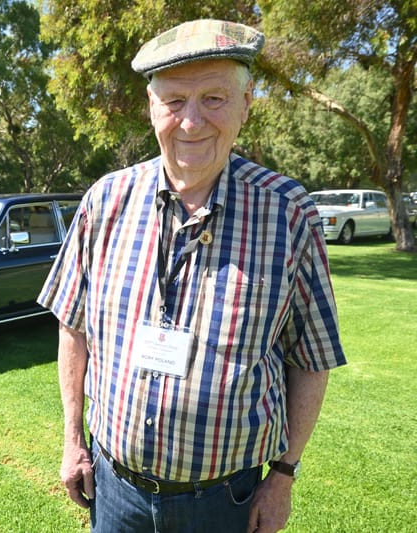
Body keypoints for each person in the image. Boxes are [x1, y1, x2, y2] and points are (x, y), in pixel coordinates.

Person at [37, 19, 346, 533]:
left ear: (247, 103)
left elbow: (312, 359)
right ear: (151, 108)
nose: (191, 121)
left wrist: (284, 476)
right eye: (175, 101)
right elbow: (73, 327)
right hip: (114, 492)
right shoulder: (105, 201)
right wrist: (73, 441)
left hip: (225, 501)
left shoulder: (289, 213)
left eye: (214, 99)